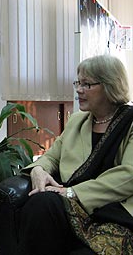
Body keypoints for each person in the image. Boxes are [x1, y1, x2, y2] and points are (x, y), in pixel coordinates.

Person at [18, 54, 133, 255]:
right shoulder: (77, 121)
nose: (78, 90)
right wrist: (38, 169)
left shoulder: (130, 122)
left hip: (115, 209)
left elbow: (129, 174)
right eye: (78, 83)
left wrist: (72, 192)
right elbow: (52, 156)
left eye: (87, 84)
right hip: (74, 205)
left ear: (109, 86)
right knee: (39, 203)